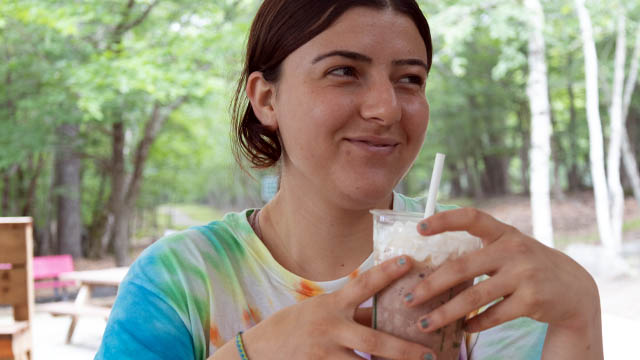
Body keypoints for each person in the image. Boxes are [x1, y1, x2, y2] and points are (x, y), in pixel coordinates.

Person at [95, 0, 603, 359]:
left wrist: (579, 316)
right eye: (344, 71)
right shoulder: (181, 281)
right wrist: (255, 354)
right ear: (266, 99)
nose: (385, 108)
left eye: (410, 79)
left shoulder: (469, 276)